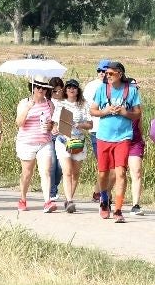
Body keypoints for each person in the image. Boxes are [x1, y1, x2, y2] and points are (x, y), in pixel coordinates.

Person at [89, 61, 141, 222]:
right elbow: (92, 110)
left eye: (110, 73)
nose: (107, 76)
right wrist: (104, 111)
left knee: (120, 173)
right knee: (103, 173)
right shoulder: (101, 89)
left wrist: (125, 112)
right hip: (103, 136)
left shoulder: (131, 91)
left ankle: (118, 209)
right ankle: (104, 199)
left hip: (123, 137)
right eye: (106, 73)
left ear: (120, 74)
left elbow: (137, 113)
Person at [15, 76, 56, 213]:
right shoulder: (24, 102)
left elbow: (53, 124)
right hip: (27, 142)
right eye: (39, 87)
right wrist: (27, 109)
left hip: (45, 142)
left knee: (45, 171)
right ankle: (22, 198)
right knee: (27, 173)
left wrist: (51, 126)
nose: (41, 90)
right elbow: (19, 123)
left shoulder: (50, 104)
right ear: (33, 88)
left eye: (44, 88)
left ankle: (47, 201)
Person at [53, 78, 92, 213]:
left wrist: (79, 125)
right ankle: (69, 201)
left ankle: (69, 198)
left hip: (78, 142)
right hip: (63, 141)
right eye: (69, 87)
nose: (71, 89)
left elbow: (90, 124)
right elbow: (54, 123)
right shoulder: (59, 104)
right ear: (65, 90)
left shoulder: (84, 105)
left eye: (74, 87)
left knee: (75, 173)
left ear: (77, 90)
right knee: (67, 171)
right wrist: (54, 128)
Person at [84, 59, 111, 202]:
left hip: (112, 130)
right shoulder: (91, 86)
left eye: (105, 71)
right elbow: (86, 106)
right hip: (95, 128)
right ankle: (103, 193)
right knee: (102, 163)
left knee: (110, 164)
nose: (102, 74)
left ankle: (98, 191)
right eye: (100, 71)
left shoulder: (115, 86)